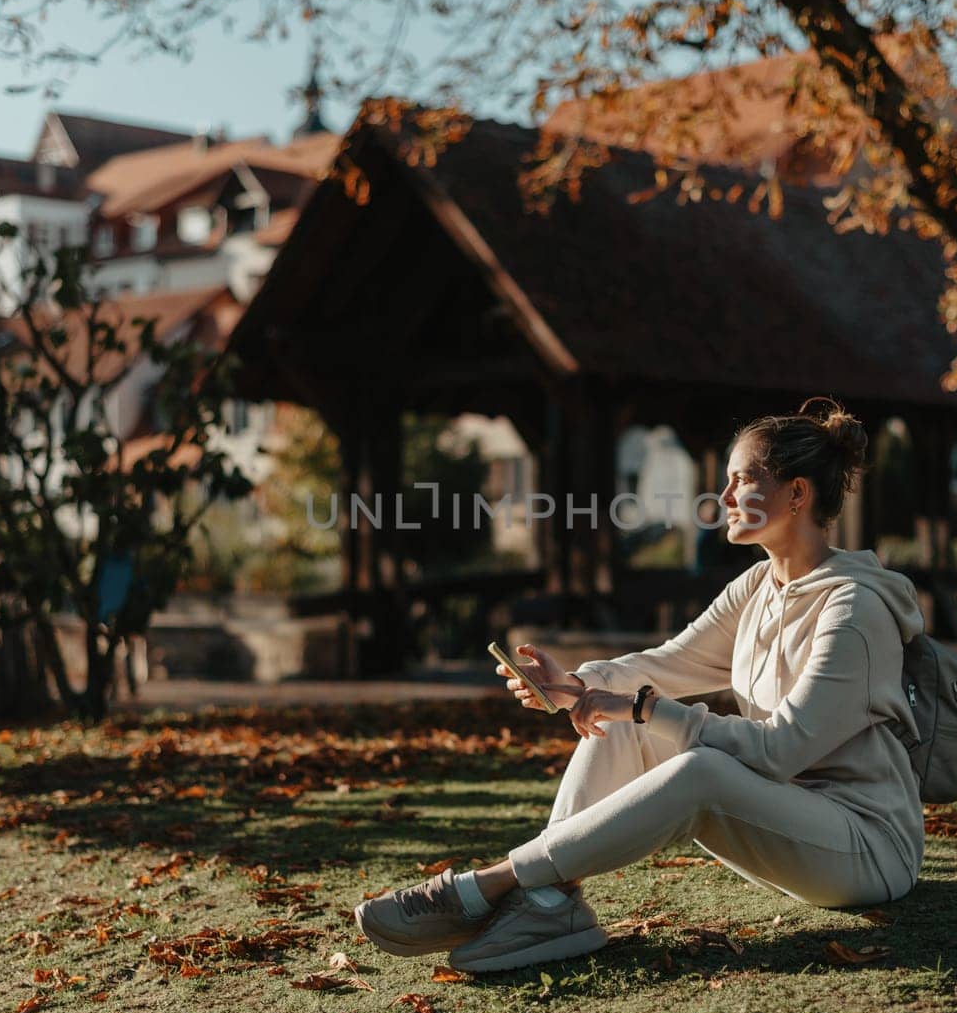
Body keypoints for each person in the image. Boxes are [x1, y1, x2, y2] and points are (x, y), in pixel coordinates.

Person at [355, 398, 926, 973]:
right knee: (621, 728)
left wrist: (644, 707)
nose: (723, 497)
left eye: (742, 480)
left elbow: (780, 750)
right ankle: (550, 904)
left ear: (796, 494)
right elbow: (671, 661)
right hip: (788, 820)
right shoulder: (758, 585)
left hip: (865, 848)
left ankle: (489, 884)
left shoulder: (854, 609)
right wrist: (578, 686)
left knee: (695, 764)